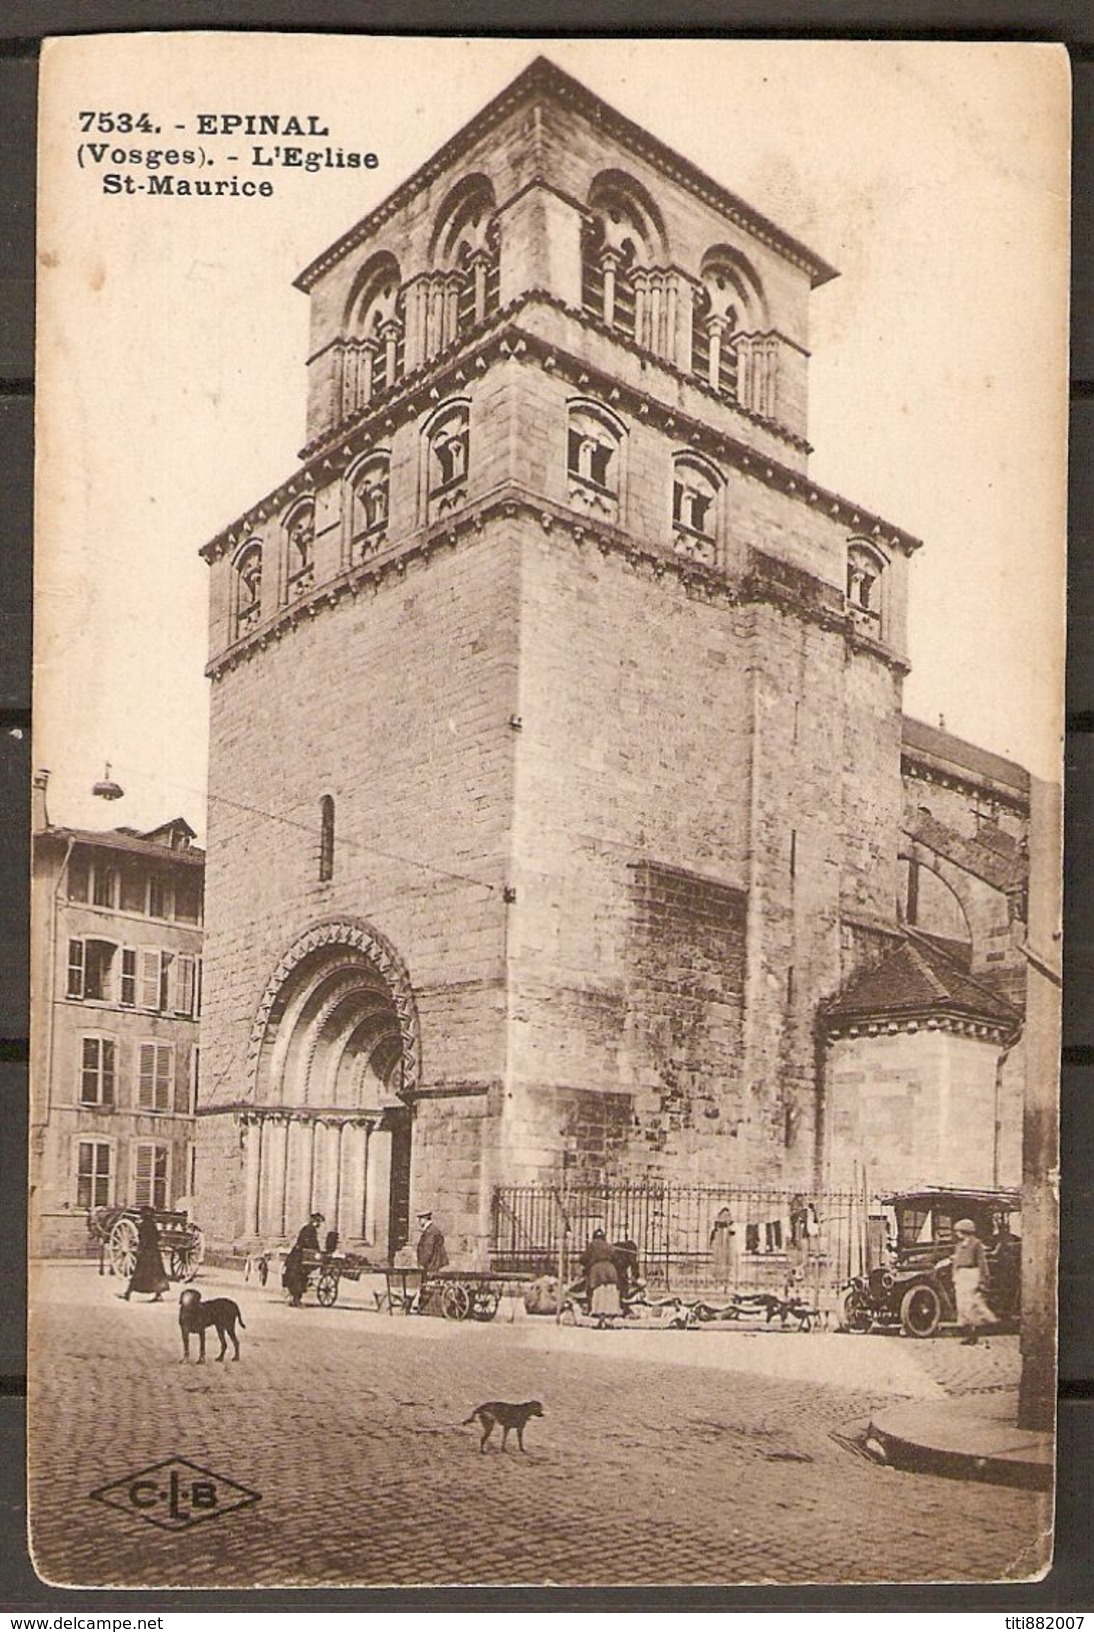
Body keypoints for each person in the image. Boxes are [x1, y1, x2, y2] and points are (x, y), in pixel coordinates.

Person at [945, 1217, 994, 1345]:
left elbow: (981, 1262)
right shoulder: (959, 1245)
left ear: (964, 1231)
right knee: (962, 1306)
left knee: (971, 1305)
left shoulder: (976, 1244)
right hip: (962, 1276)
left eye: (959, 1231)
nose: (957, 1234)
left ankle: (974, 1335)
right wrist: (954, 1275)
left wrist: (983, 1278)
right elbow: (956, 1262)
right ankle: (967, 1333)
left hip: (972, 1274)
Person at [121, 1207, 169, 1302]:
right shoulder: (152, 1225)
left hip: (146, 1254)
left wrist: (140, 1251)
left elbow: (143, 1240)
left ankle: (127, 1293)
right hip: (155, 1253)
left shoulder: (144, 1225)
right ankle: (158, 1295)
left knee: (138, 1273)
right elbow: (158, 1238)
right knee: (157, 1273)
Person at [283, 1211, 324, 1307]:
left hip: (297, 1255)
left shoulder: (307, 1228)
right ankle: (296, 1301)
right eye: (319, 1222)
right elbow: (310, 1243)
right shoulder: (310, 1229)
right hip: (299, 1257)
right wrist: (317, 1251)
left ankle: (294, 1299)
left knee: (297, 1277)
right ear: (315, 1221)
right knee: (298, 1277)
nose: (319, 1225)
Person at [581, 1228, 621, 1324]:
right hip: (610, 1269)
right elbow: (616, 1258)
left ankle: (601, 1318)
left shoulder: (592, 1245)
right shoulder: (609, 1246)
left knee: (599, 1293)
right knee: (610, 1292)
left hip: (597, 1271)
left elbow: (583, 1259)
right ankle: (609, 1320)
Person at [709, 1207, 738, 1291]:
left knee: (731, 1261)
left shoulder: (733, 1227)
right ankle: (720, 1283)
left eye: (727, 1215)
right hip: (720, 1237)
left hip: (730, 1240)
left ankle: (729, 1283)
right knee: (719, 1261)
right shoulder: (717, 1227)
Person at [415, 1210, 449, 1276]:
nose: (419, 1221)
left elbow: (428, 1250)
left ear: (425, 1218)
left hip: (431, 1265)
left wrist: (422, 1263)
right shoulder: (432, 1229)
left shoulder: (430, 1231)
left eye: (420, 1219)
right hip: (433, 1264)